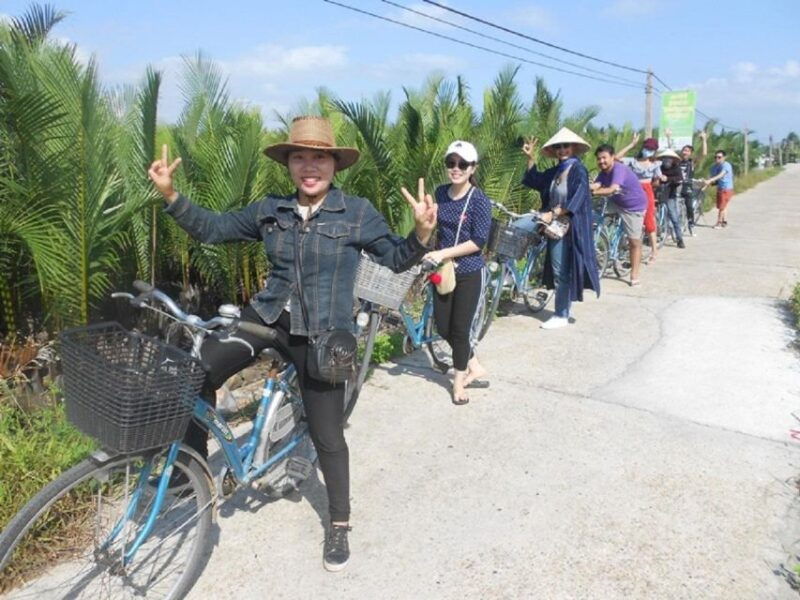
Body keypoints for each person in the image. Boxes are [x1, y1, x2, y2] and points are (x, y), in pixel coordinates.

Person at [147, 116, 437, 572]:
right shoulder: (271, 210)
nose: (309, 166)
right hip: (268, 317)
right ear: (288, 163)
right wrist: (171, 195)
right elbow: (214, 228)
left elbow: (397, 259)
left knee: (327, 434)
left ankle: (339, 522)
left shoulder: (357, 212)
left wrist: (421, 232)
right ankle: (195, 474)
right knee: (193, 370)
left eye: (318, 157)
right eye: (299, 156)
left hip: (324, 333)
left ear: (334, 164)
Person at [425, 141, 492, 406]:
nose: (456, 169)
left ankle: (457, 383)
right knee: (443, 326)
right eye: (451, 163)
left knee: (460, 329)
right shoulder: (440, 193)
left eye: (462, 164)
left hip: (469, 271)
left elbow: (479, 240)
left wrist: (445, 253)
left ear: (472, 168)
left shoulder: (479, 200)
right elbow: (433, 226)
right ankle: (475, 365)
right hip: (443, 270)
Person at [521, 127, 600, 329]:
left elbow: (579, 197)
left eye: (565, 146)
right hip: (553, 223)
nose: (562, 149)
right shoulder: (556, 171)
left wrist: (554, 213)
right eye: (558, 146)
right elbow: (535, 180)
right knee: (521, 228)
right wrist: (530, 158)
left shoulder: (578, 170)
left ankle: (561, 314)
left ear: (573, 148)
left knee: (560, 271)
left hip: (570, 227)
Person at [591, 144, 647, 286]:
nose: (601, 161)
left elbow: (612, 189)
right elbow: (597, 184)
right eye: (599, 159)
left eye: (604, 158)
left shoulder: (619, 169)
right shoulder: (603, 172)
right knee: (595, 219)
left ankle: (634, 275)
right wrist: (583, 187)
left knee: (634, 241)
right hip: (616, 201)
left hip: (633, 206)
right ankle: (605, 241)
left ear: (612, 157)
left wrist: (593, 192)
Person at [615, 133, 662, 263]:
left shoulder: (655, 164)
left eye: (651, 149)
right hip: (631, 190)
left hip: (647, 191)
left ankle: (654, 250)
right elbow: (616, 158)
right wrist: (632, 144)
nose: (648, 151)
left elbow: (656, 182)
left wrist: (656, 182)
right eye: (647, 148)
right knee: (627, 220)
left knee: (649, 222)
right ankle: (627, 249)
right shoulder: (633, 161)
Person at [677, 130, 708, 235]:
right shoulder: (677, 161)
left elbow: (703, 154)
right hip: (677, 186)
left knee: (689, 206)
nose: (685, 152)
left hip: (687, 186)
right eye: (684, 150)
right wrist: (668, 136)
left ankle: (691, 223)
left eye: (687, 151)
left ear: (690, 153)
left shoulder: (692, 162)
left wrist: (704, 140)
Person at [656, 148, 686, 249]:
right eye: (665, 159)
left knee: (674, 217)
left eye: (669, 159)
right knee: (654, 216)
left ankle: (679, 239)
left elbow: (679, 179)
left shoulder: (676, 168)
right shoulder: (659, 168)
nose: (667, 161)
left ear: (673, 160)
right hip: (659, 195)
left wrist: (668, 179)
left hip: (670, 195)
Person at [704, 149, 735, 228]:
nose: (717, 159)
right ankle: (725, 221)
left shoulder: (726, 165)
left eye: (719, 157)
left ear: (724, 157)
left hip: (726, 189)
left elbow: (721, 174)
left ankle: (719, 223)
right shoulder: (714, 167)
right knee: (723, 206)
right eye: (715, 157)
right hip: (720, 188)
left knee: (721, 206)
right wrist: (705, 183)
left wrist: (711, 180)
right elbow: (711, 177)